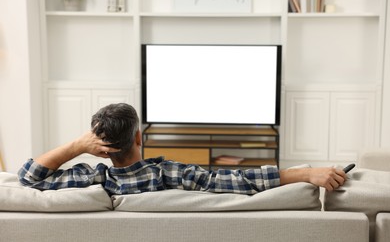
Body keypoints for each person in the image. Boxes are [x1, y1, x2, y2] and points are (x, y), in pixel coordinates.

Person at [18, 103, 347, 195]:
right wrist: (306, 172)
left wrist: (77, 145)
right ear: (139, 138)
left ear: (97, 146)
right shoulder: (169, 174)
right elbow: (240, 182)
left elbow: (28, 178)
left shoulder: (90, 180)